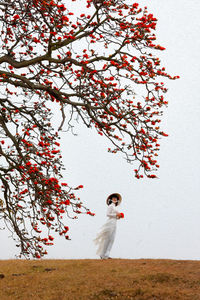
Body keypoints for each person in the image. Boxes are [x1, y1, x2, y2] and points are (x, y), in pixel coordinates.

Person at [93, 193, 123, 259]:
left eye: (116, 198)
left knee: (112, 239)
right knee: (107, 238)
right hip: (110, 222)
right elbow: (107, 214)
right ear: (111, 199)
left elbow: (115, 215)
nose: (115, 199)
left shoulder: (115, 207)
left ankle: (106, 254)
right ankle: (103, 254)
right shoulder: (110, 206)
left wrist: (119, 217)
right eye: (113, 198)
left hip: (114, 222)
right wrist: (116, 215)